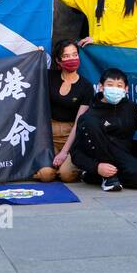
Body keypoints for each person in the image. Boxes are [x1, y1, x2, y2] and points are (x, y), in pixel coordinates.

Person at [69, 68, 137, 191]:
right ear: (101, 87)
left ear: (126, 89)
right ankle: (107, 177)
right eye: (110, 85)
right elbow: (76, 154)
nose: (115, 89)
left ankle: (93, 176)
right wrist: (97, 167)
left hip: (121, 155)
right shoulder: (90, 114)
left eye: (119, 86)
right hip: (98, 157)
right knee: (89, 121)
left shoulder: (130, 107)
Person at [38, 39, 94, 183]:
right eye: (67, 56)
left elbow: (78, 122)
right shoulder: (49, 77)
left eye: (75, 55)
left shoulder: (86, 86)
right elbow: (32, 74)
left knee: (67, 175)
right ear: (58, 60)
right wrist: (36, 55)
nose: (72, 59)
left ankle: (70, 167)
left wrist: (64, 152)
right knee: (45, 175)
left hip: (71, 136)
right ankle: (49, 170)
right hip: (49, 135)